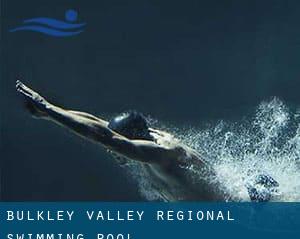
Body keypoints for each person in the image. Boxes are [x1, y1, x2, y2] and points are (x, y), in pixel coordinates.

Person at [15, 80, 277, 201]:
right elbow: (99, 126)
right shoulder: (146, 139)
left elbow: (105, 137)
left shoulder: (161, 154)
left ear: (132, 140)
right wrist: (51, 113)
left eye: (115, 146)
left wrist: (48, 109)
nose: (111, 151)